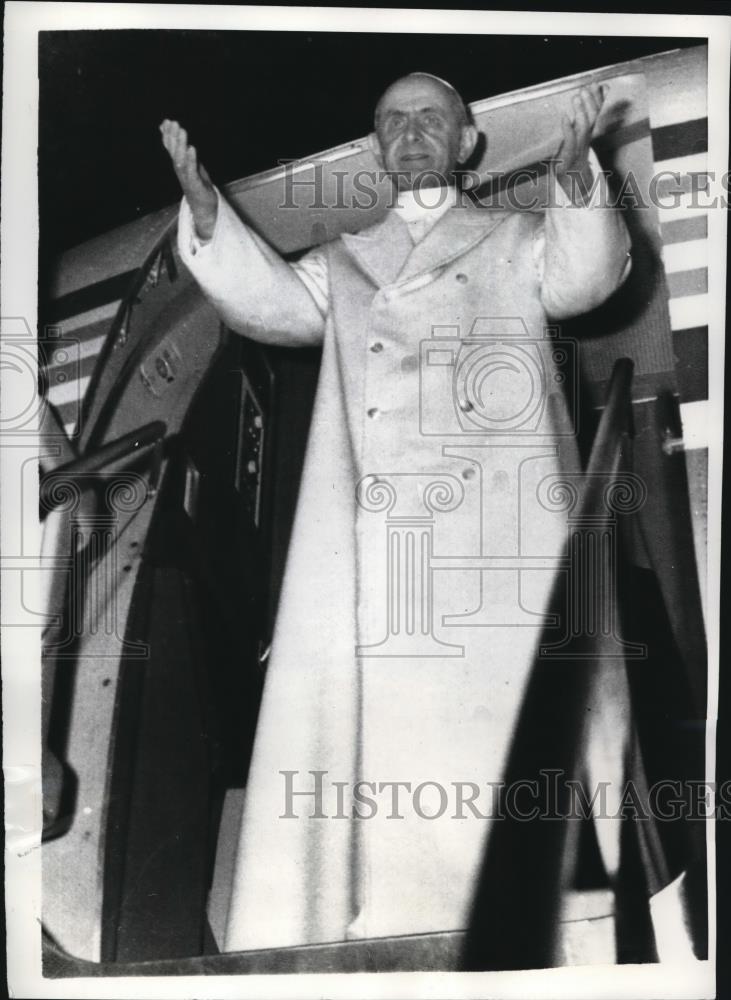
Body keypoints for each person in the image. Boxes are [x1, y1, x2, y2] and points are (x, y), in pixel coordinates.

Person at [160, 73, 633, 958]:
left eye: (430, 118)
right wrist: (211, 217)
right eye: (391, 121)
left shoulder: (517, 238)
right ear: (379, 149)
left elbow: (585, 279)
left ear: (465, 145)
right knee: (389, 785)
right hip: (377, 565)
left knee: (498, 764)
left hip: (497, 555)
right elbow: (271, 307)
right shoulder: (341, 263)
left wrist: (576, 177)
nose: (410, 132)